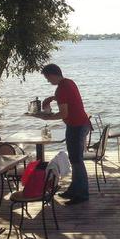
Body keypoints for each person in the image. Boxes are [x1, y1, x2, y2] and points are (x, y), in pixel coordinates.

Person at [38, 64, 90, 205]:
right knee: (74, 159)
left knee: (77, 160)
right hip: (80, 123)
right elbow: (66, 98)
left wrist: (47, 118)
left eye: (48, 78)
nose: (48, 81)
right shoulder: (68, 82)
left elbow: (63, 114)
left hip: (77, 126)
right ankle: (74, 190)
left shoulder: (61, 89)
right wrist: (52, 98)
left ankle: (82, 194)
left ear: (53, 74)